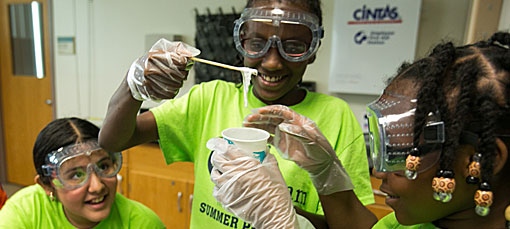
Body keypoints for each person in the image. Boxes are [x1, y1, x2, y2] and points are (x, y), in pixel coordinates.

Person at [99, 0, 375, 228]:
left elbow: (352, 224)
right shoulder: (208, 99)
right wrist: (133, 84)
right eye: (257, 43)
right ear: (241, 40)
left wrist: (284, 218)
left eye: (293, 48)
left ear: (312, 50)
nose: (272, 61)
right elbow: (112, 141)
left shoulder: (334, 116)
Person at [209, 31, 510, 228]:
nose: (379, 173)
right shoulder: (406, 222)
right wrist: (327, 174)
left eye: (404, 156)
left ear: (484, 160)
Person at [0, 118, 165, 228]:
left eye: (104, 166)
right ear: (47, 185)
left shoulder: (143, 223)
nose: (97, 186)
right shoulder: (23, 213)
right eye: (76, 175)